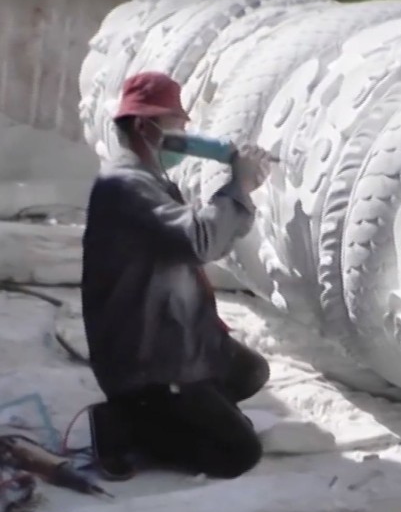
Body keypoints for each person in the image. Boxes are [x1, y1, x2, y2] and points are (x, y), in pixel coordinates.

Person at [83, 71, 274, 480]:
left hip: (173, 332)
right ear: (143, 126)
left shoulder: (150, 181)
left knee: (249, 371)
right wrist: (236, 186)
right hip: (146, 354)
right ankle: (125, 424)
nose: (185, 136)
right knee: (238, 453)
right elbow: (199, 241)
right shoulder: (124, 186)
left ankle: (170, 411)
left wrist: (239, 190)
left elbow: (210, 234)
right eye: (176, 127)